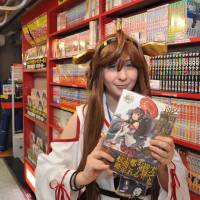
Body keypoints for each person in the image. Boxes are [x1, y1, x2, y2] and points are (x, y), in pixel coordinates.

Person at [35, 30, 190, 200]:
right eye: (111, 67)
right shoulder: (83, 117)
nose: (123, 76)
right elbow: (46, 173)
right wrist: (82, 177)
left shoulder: (155, 115)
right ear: (99, 72)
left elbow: (172, 188)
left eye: (130, 66)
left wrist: (163, 166)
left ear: (140, 70)